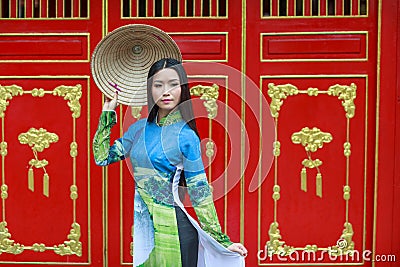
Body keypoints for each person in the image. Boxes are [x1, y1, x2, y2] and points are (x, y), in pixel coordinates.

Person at [93, 58, 247, 266]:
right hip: (145, 230)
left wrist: (221, 240)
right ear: (150, 89)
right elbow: (102, 157)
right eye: (158, 85)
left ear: (182, 88)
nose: (166, 91)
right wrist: (108, 112)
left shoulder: (186, 136)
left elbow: (199, 190)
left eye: (173, 84)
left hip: (176, 231)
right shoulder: (139, 130)